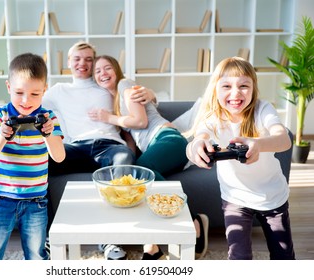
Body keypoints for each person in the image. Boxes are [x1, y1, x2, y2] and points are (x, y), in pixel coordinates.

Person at [0, 41, 156, 260]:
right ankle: (47, 235)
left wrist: (149, 92)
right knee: (41, 162)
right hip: (76, 147)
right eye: (77, 58)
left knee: (124, 158)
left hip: (108, 146)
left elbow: (132, 94)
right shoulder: (57, 91)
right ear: (69, 62)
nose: (82, 63)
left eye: (88, 59)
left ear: (95, 63)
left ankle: (110, 238)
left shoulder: (106, 86)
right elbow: (22, 102)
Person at [90, 55, 209, 260]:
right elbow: (131, 142)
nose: (103, 73)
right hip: (159, 147)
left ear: (117, 70)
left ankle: (193, 221)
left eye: (107, 68)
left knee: (142, 176)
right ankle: (152, 247)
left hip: (168, 139)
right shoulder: (117, 103)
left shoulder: (125, 86)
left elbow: (141, 121)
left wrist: (108, 118)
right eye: (97, 71)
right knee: (138, 177)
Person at [186, 56, 295, 260]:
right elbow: (197, 140)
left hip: (272, 196)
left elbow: (284, 140)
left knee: (283, 256)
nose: (235, 93)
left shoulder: (263, 109)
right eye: (226, 85)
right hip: (235, 198)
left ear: (253, 88)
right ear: (215, 90)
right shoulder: (212, 117)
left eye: (244, 85)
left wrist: (258, 144)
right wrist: (195, 148)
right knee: (239, 257)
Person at [0, 53, 66, 260]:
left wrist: (47, 134)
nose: (26, 101)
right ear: (9, 87)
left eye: (35, 94)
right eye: (19, 92)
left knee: (37, 256)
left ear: (45, 90)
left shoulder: (49, 118)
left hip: (35, 202)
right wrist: (1, 136)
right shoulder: (0, 116)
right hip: (1, 199)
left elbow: (59, 157)